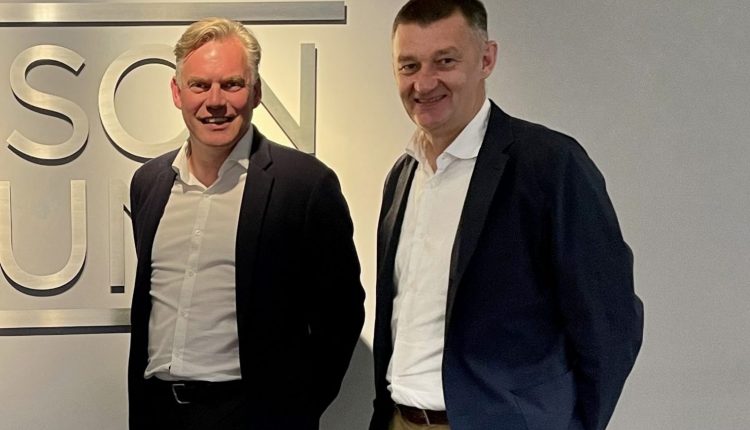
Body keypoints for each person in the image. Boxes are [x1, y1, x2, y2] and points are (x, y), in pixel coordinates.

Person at [370, 1, 644, 429]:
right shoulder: (403, 176)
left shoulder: (550, 165)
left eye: (445, 61)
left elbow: (609, 322)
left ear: (486, 59)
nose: (423, 83)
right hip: (401, 421)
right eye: (409, 66)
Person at [127, 17, 364, 429]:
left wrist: (295, 412)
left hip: (257, 418)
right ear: (177, 92)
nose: (215, 101)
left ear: (255, 92)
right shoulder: (148, 183)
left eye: (232, 84)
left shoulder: (305, 185)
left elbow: (340, 316)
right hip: (160, 414)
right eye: (200, 85)